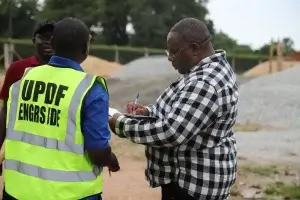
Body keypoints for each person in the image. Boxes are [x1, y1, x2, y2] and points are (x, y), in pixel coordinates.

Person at [109, 18, 238, 200]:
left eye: (174, 52)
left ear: (194, 49)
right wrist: (147, 112)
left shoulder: (205, 83)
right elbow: (180, 109)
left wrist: (120, 124)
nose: (169, 57)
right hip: (196, 181)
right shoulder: (205, 71)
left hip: (193, 186)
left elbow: (172, 132)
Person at [2, 17, 119, 200]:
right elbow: (98, 152)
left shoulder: (23, 81)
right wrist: (111, 161)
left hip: (18, 191)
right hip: (71, 194)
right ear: (85, 50)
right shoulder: (90, 88)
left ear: (53, 44)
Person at [0, 19, 56, 154]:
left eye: (52, 37)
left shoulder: (71, 73)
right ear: (33, 40)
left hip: (54, 152)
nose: (47, 41)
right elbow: (6, 111)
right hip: (21, 152)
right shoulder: (17, 69)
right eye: (42, 37)